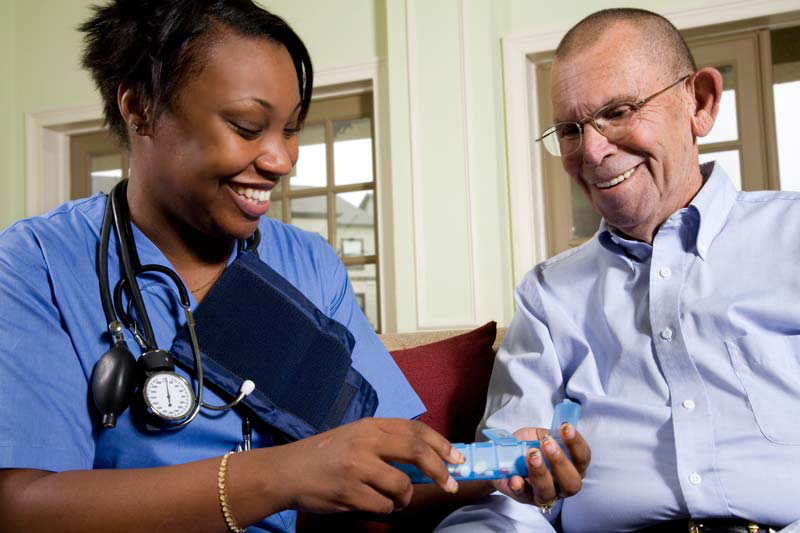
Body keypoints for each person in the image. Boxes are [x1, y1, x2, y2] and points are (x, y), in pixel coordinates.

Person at [0, 1, 588, 532]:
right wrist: (281, 475)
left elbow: (391, 466)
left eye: (291, 129)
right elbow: (22, 505)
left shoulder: (303, 263)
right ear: (140, 108)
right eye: (247, 127)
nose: (281, 160)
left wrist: (506, 465)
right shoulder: (37, 266)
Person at [437, 7, 800, 533]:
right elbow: (510, 496)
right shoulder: (547, 295)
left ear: (699, 103)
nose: (592, 150)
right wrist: (509, 489)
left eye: (620, 110)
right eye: (568, 129)